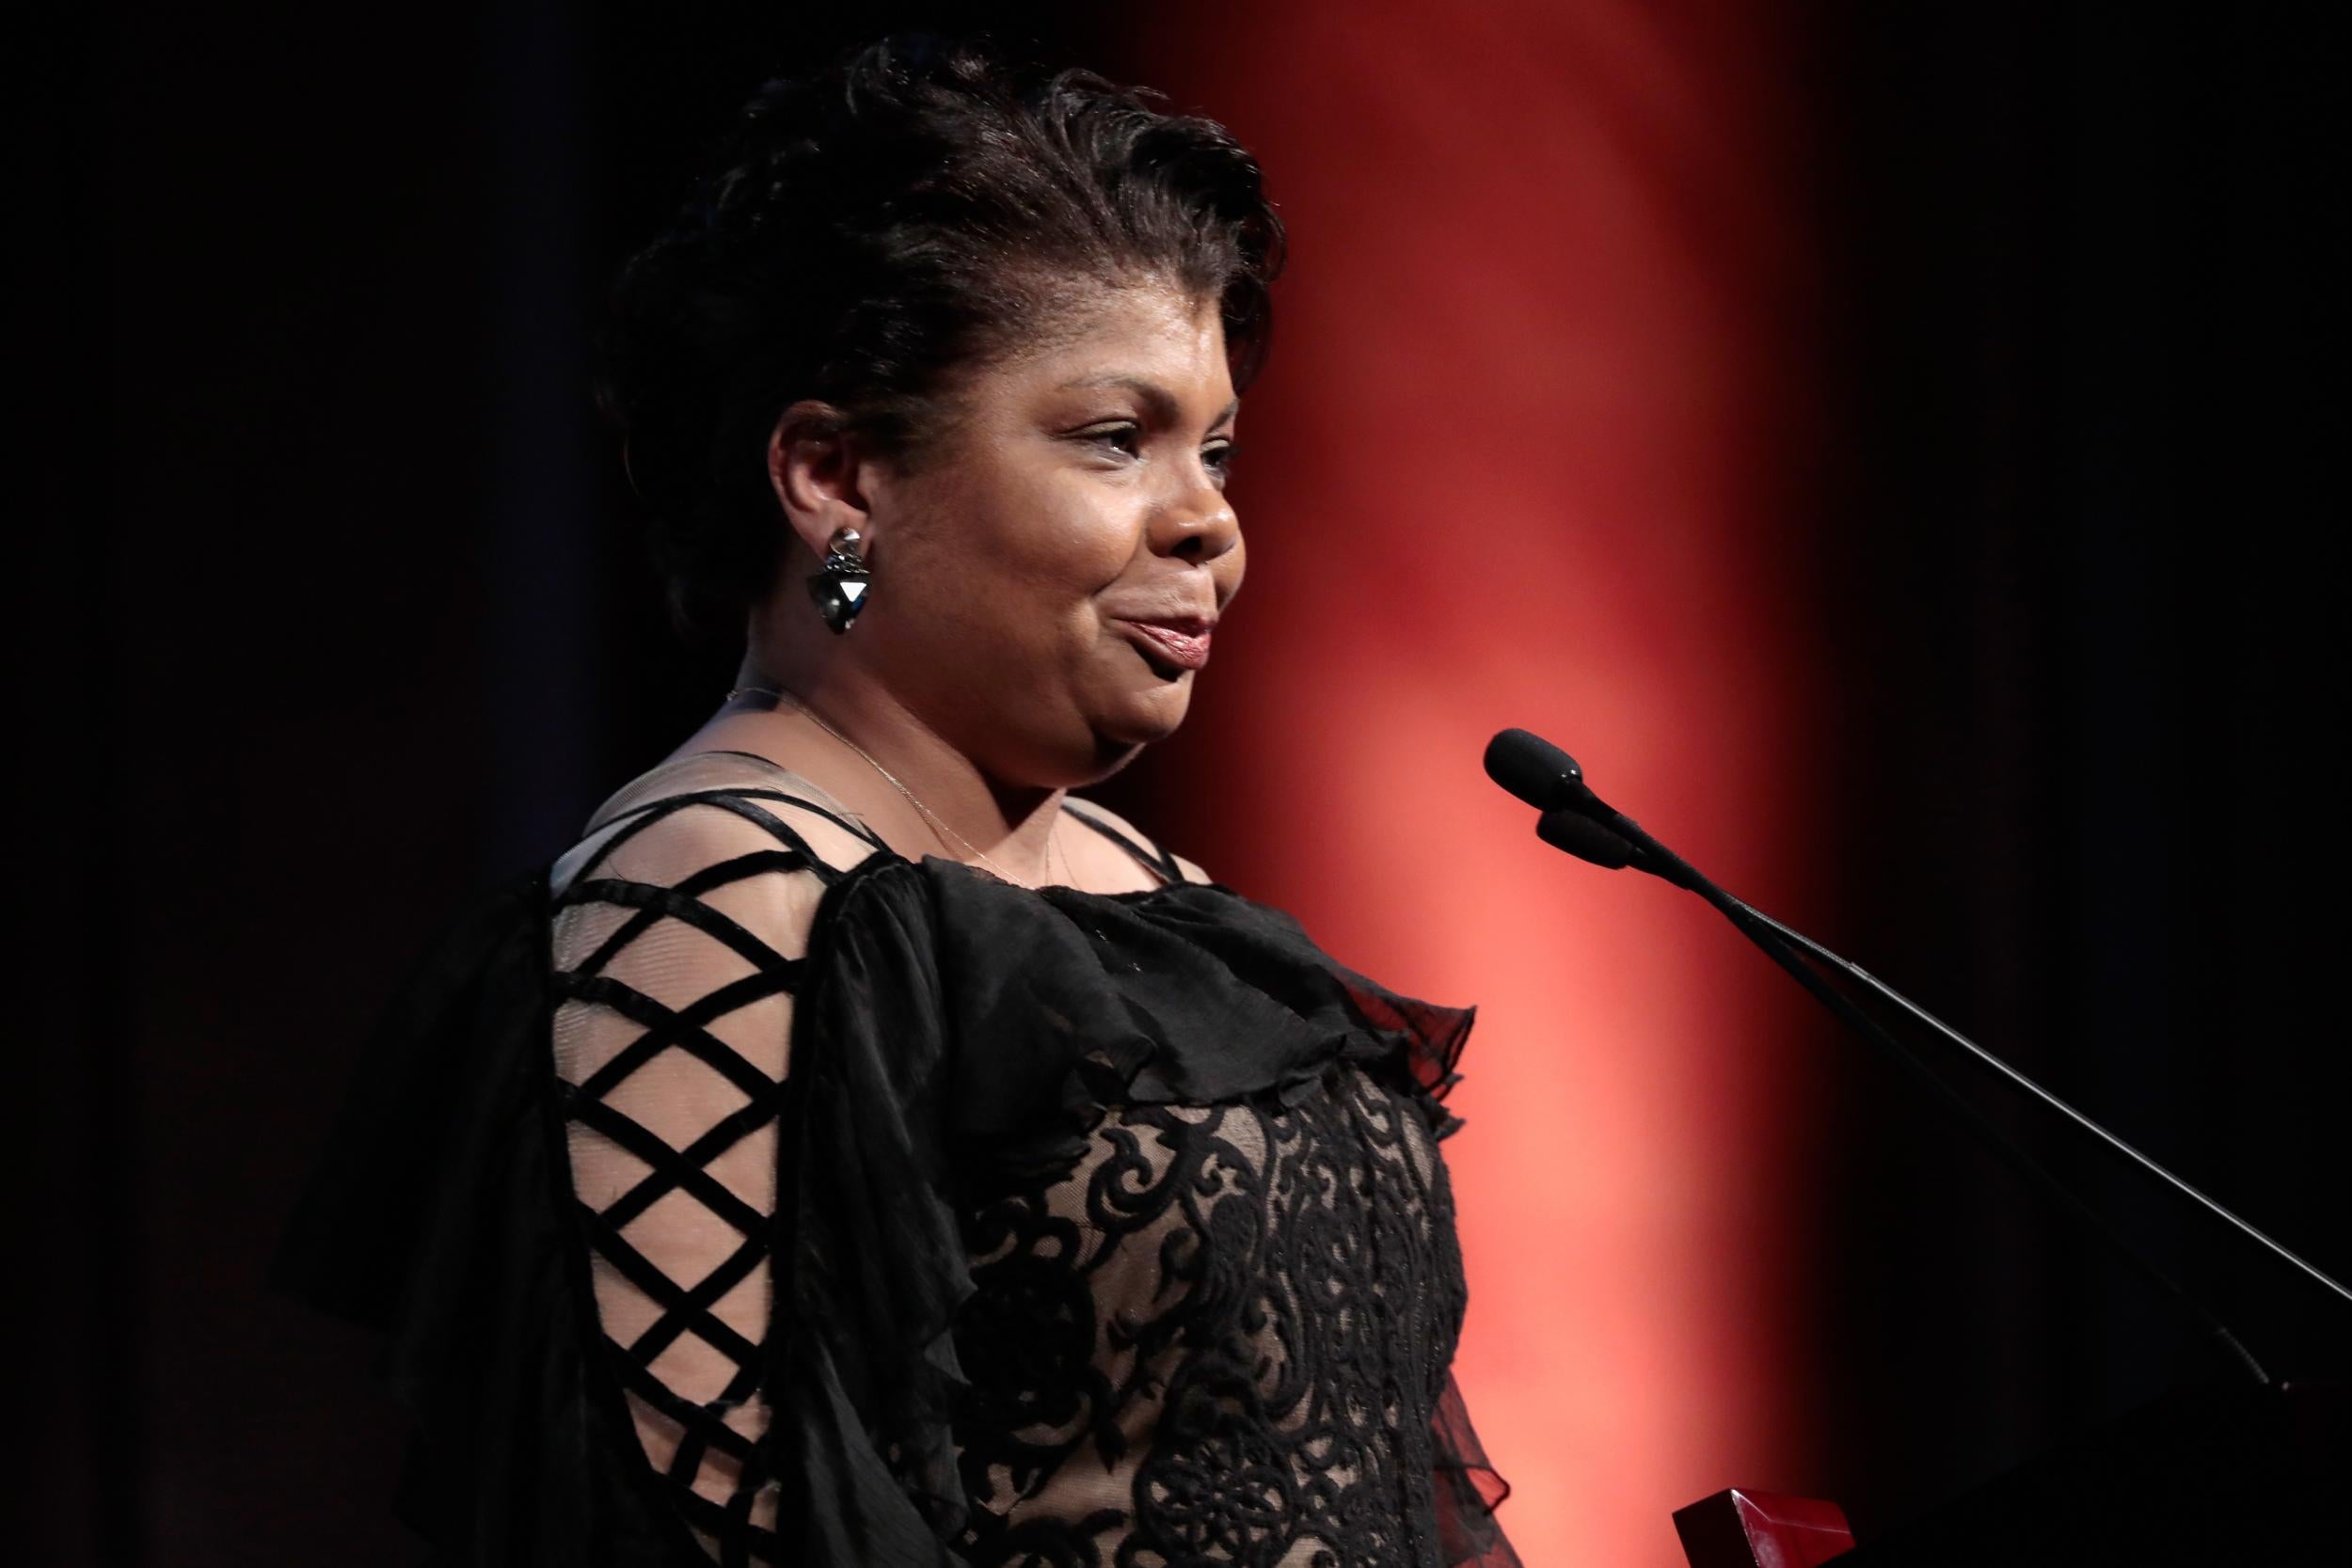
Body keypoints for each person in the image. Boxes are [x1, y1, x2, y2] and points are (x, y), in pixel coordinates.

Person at [276, 32, 1520, 1568]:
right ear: (836, 475)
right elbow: (699, 1535)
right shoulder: (711, 889)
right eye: (1114, 438)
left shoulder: (1146, 883)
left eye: (1217, 450)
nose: (1208, 521)